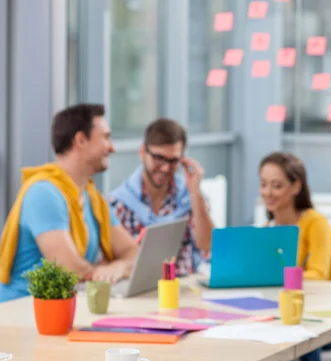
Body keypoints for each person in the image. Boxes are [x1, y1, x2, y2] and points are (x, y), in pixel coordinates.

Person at [0, 104, 138, 303]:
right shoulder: (44, 193)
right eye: (106, 137)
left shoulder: (93, 199)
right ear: (81, 140)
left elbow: (133, 252)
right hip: (22, 311)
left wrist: (118, 267)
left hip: (63, 307)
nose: (112, 147)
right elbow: (70, 269)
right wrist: (105, 270)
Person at [259, 151, 331, 361]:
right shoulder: (267, 230)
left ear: (296, 187)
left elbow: (318, 275)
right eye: (263, 184)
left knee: (304, 335)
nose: (268, 192)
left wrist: (280, 277)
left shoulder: (315, 223)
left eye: (276, 185)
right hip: (294, 312)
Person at [109, 118, 213, 276]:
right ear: (142, 152)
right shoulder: (118, 203)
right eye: (158, 158)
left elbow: (207, 246)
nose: (165, 168)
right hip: (139, 292)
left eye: (173, 161)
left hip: (185, 288)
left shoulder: (190, 197)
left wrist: (195, 191)